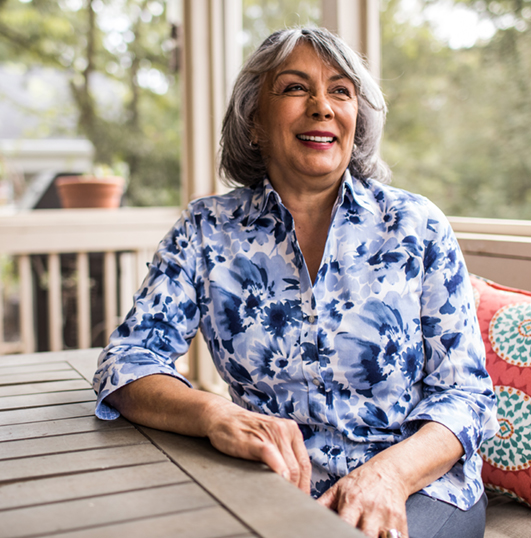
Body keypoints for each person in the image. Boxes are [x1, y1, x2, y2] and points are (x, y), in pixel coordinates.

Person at [93, 27, 498, 538]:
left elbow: (466, 395)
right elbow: (127, 363)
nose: (322, 107)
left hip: (420, 486)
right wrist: (217, 415)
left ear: (357, 118)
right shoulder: (206, 230)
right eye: (294, 88)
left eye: (341, 91)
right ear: (253, 122)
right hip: (270, 487)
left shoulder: (417, 226)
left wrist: (387, 476)